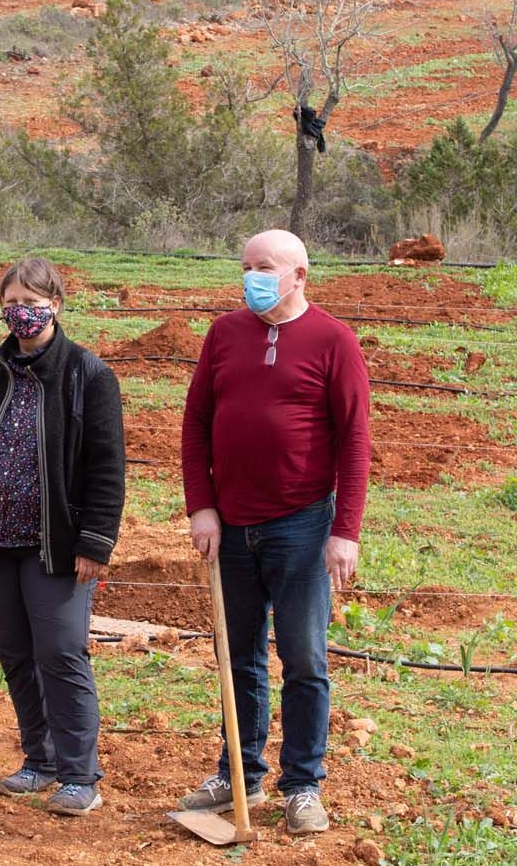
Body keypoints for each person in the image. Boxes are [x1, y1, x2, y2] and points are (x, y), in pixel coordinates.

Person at [177, 229, 371, 836]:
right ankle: (240, 772)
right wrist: (201, 507)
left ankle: (303, 784)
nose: (251, 277)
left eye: (264, 267)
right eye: (245, 266)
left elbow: (356, 440)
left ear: (299, 275)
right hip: (231, 527)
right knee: (238, 657)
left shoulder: (334, 340)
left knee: (305, 658)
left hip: (303, 525)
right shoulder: (224, 334)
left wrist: (345, 531)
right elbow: (195, 425)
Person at [0, 257, 125, 816]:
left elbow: (107, 467)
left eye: (35, 303)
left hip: (56, 546)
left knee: (61, 651)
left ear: (56, 305)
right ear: (1, 307)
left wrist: (95, 542)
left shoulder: (88, 374)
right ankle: (38, 760)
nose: (23, 312)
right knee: (16, 653)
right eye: (13, 302)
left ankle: (79, 774)